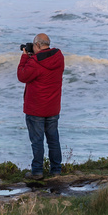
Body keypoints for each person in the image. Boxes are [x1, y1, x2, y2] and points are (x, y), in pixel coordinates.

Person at [17, 33, 64, 179]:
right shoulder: (58, 57)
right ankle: (56, 170)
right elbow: (44, 64)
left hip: (36, 108)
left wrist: (25, 57)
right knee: (53, 139)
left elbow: (22, 76)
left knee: (37, 141)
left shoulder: (34, 62)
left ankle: (37, 171)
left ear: (37, 45)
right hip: (52, 107)